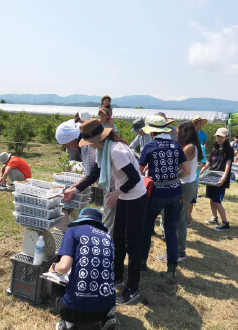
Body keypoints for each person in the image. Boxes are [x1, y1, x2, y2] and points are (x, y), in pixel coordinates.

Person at [64, 119, 147, 305]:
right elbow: (93, 174)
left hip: (135, 198)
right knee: (117, 239)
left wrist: (116, 193)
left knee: (133, 244)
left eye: (88, 141)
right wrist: (74, 189)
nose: (88, 145)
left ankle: (133, 289)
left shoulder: (116, 150)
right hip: (124, 197)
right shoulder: (102, 150)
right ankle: (117, 276)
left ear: (95, 138)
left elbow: (134, 177)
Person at [138, 115, 190, 278]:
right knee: (171, 230)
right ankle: (172, 269)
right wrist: (173, 178)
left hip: (157, 193)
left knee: (147, 228)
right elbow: (187, 170)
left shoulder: (150, 146)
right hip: (176, 192)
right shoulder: (176, 146)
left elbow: (140, 170)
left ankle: (142, 263)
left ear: (152, 132)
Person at [52, 208, 116, 330]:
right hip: (106, 307)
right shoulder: (108, 238)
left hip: (74, 309)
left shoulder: (73, 231)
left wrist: (54, 267)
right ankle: (105, 318)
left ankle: (68, 322)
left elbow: (64, 267)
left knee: (55, 281)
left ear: (80, 220)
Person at [174, 121, 203, 262]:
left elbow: (182, 169)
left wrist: (173, 178)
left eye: (179, 131)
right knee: (180, 216)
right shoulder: (193, 146)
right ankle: (178, 250)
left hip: (185, 186)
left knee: (180, 218)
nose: (177, 134)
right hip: (189, 184)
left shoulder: (189, 148)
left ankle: (180, 252)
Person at [201, 128, 233, 231]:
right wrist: (203, 170)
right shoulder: (214, 149)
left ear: (226, 137)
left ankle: (225, 223)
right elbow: (209, 162)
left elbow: (228, 164)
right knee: (211, 199)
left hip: (221, 179)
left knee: (217, 200)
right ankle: (214, 217)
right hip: (211, 176)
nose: (218, 138)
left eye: (221, 137)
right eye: (217, 136)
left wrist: (224, 177)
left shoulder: (229, 150)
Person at [187, 143, 206, 226]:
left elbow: (203, 163)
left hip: (193, 180)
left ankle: (187, 219)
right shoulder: (181, 145)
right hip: (182, 179)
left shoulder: (200, 147)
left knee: (190, 201)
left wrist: (192, 167)